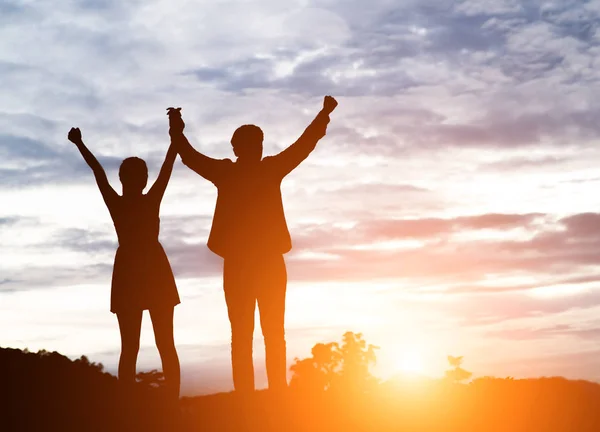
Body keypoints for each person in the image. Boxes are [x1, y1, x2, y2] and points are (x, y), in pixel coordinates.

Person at [169, 96, 338, 393]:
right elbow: (191, 157)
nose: (256, 149)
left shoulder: (256, 170)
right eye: (252, 144)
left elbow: (304, 145)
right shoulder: (241, 171)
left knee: (265, 334)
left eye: (258, 143)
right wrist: (177, 132)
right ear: (237, 148)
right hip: (247, 263)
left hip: (262, 262)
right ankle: (252, 396)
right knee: (250, 334)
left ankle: (270, 394)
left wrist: (323, 115)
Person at [68, 118, 181, 401]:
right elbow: (167, 167)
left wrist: (80, 144)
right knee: (160, 344)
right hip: (147, 270)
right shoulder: (147, 198)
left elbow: (97, 171)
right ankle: (165, 404)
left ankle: (132, 405)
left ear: (124, 179)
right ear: (141, 179)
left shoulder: (119, 201)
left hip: (137, 270)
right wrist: (176, 135)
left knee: (134, 346)